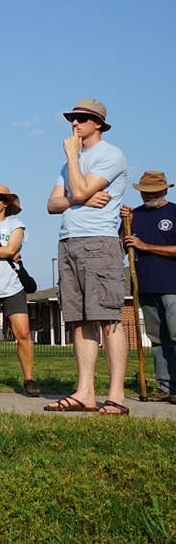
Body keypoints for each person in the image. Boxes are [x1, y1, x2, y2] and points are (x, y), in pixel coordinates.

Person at [45, 99, 129, 414]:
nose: (75, 124)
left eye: (81, 119)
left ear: (98, 123)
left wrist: (71, 162)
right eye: (73, 118)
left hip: (99, 242)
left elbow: (79, 191)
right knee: (79, 320)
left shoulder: (110, 155)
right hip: (68, 241)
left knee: (107, 317)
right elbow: (52, 205)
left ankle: (117, 396)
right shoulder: (70, 164)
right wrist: (76, 196)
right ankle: (85, 392)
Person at [0, 184, 41, 397]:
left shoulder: (16, 224)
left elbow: (12, 248)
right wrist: (1, 253)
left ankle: (29, 378)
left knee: (22, 333)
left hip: (13, 286)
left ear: (6, 203)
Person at [121, 171, 176, 404]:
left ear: (164, 190)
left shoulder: (174, 212)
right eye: (144, 191)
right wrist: (126, 226)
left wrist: (146, 246)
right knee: (156, 338)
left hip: (172, 285)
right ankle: (164, 386)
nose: (148, 195)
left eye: (153, 191)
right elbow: (125, 247)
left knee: (175, 334)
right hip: (144, 285)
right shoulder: (135, 215)